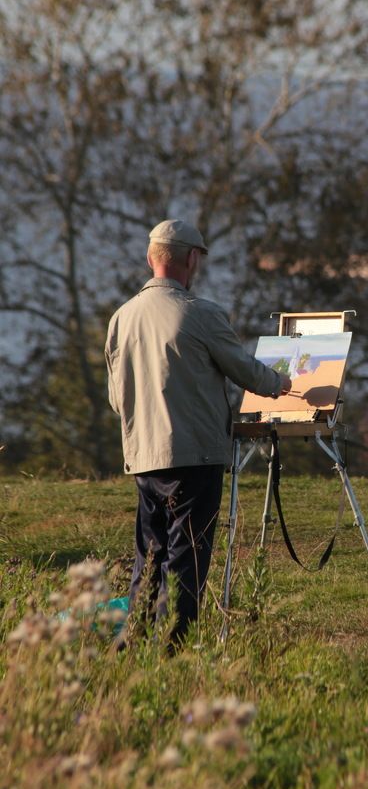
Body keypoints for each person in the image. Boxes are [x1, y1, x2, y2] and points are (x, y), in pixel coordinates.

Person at [105, 219, 291, 643]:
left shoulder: (121, 318)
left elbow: (117, 400)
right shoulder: (201, 313)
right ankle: (174, 649)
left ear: (150, 258)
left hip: (144, 456)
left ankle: (136, 643)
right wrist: (279, 382)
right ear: (191, 258)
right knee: (187, 559)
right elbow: (245, 370)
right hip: (195, 457)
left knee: (150, 558)